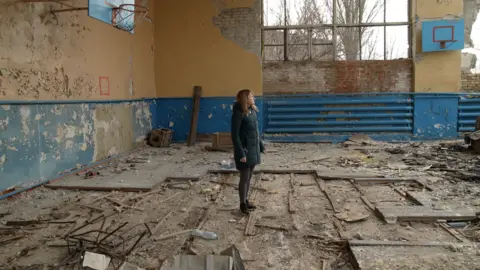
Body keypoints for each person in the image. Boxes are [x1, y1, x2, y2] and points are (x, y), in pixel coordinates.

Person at [231, 89, 265, 215]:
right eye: (251, 96)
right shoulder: (238, 113)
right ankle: (242, 204)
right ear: (245, 98)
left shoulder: (251, 111)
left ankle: (246, 200)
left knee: (249, 177)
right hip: (245, 150)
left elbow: (255, 131)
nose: (254, 98)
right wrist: (241, 153)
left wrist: (261, 145)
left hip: (253, 149)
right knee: (244, 178)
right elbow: (235, 136)